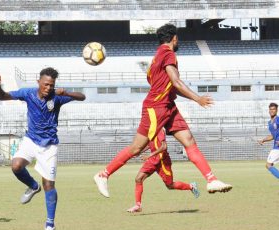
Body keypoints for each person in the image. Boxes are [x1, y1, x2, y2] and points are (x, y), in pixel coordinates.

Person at [94, 23, 232, 198]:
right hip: (156, 107)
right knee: (137, 148)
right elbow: (175, 81)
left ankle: (211, 179)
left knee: (189, 140)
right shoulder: (168, 54)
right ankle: (103, 174)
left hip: (168, 106)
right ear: (174, 38)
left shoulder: (155, 60)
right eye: (177, 38)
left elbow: (165, 86)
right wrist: (197, 98)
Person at [0, 68, 85, 230]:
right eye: (45, 84)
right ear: (38, 82)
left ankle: (50, 225)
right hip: (30, 140)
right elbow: (3, 96)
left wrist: (67, 92)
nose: (48, 88)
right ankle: (33, 186)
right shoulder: (28, 94)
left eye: (52, 85)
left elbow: (82, 96)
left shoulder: (57, 97)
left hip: (49, 145)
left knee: (49, 184)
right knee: (16, 166)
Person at [127, 129, 199, 213]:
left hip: (162, 161)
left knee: (170, 185)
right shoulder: (151, 129)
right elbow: (150, 144)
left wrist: (149, 155)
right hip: (153, 160)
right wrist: (140, 151)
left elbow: (164, 146)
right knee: (138, 179)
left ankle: (191, 186)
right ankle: (138, 205)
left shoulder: (160, 129)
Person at [258, 102, 279, 179]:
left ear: (276, 110)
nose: (272, 111)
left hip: (277, 147)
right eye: (270, 109)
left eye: (274, 109)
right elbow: (273, 136)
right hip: (276, 147)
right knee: (270, 165)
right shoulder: (270, 123)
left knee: (268, 165)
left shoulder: (278, 120)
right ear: (269, 110)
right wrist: (263, 140)